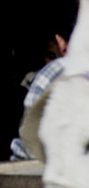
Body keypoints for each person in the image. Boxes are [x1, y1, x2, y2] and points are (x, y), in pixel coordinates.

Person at [11, 23, 72, 160]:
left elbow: (28, 149)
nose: (48, 64)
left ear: (62, 44)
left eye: (51, 56)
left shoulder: (57, 70)